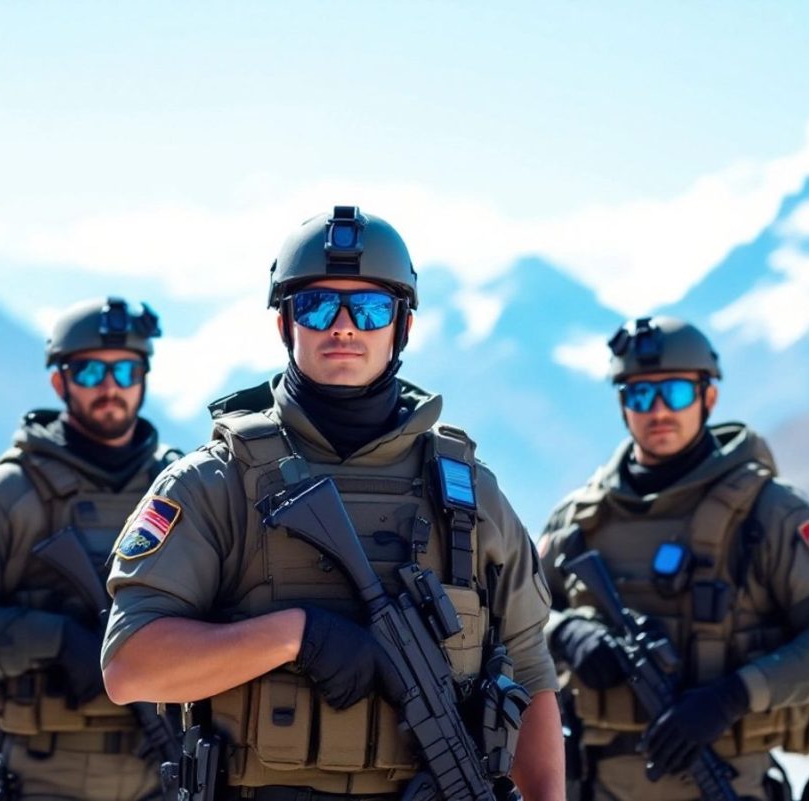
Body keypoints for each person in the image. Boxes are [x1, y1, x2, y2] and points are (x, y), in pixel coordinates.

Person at [101, 205, 565, 801]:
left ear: (402, 327)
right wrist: (297, 635)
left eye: (370, 309)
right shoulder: (214, 483)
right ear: (284, 325)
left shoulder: (471, 496)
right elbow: (129, 666)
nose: (343, 326)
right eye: (317, 305)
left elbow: (529, 674)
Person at [538, 316, 809, 801]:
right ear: (621, 404)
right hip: (595, 784)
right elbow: (511, 619)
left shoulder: (769, 511)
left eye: (674, 393)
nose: (657, 412)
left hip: (725, 780)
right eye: (639, 395)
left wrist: (734, 695)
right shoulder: (578, 519)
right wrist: (564, 632)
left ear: (708, 396)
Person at [0, 298, 182, 801]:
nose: (110, 387)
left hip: (159, 772)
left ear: (144, 378)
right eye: (89, 372)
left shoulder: (179, 488)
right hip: (46, 773)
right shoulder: (9, 494)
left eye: (125, 370)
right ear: (60, 382)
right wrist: (56, 638)